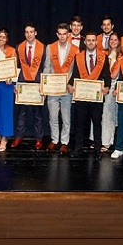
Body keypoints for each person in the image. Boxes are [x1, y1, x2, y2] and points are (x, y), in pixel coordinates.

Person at [67, 32, 111, 160]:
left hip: (96, 97)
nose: (91, 42)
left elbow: (107, 76)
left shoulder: (103, 57)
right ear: (85, 42)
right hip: (82, 96)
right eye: (88, 40)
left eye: (93, 40)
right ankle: (77, 148)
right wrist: (69, 85)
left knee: (97, 123)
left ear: (96, 42)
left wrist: (107, 87)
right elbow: (75, 75)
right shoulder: (78, 57)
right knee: (80, 124)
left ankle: (97, 150)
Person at [43, 23, 79, 155]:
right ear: (57, 34)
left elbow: (76, 70)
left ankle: (64, 142)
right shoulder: (50, 47)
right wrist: (45, 85)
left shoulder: (75, 49)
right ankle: (54, 139)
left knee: (66, 117)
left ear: (68, 34)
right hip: (53, 88)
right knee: (53, 117)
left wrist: (71, 84)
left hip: (67, 89)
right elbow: (47, 66)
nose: (62, 36)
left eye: (65, 34)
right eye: (60, 34)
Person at [11, 22, 46, 150]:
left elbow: (44, 68)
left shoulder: (43, 47)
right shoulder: (19, 47)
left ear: (35, 33)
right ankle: (18, 137)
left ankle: (39, 139)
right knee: (22, 113)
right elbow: (18, 68)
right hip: (24, 84)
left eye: (31, 32)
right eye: (26, 32)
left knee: (38, 115)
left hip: (37, 85)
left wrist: (44, 86)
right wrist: (16, 84)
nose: (29, 34)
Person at [99, 32, 123, 152]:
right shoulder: (103, 54)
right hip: (100, 84)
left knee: (108, 113)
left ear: (119, 42)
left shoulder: (121, 57)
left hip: (113, 86)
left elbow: (113, 75)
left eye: (115, 39)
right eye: (111, 39)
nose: (113, 41)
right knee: (98, 112)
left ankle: (107, 142)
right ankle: (97, 140)